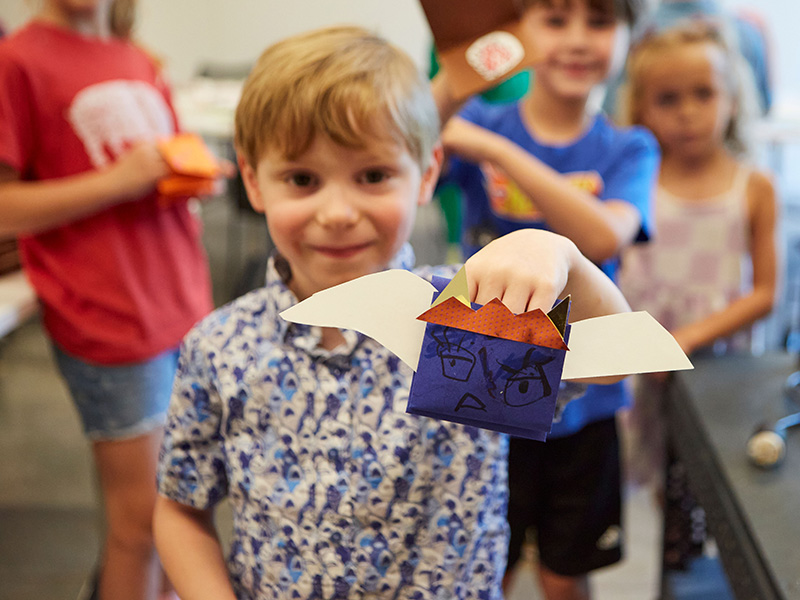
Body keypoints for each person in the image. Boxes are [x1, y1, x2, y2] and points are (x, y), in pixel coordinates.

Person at [152, 25, 633, 600]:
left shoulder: (460, 324)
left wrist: (562, 254)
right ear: (255, 182)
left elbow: (614, 361)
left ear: (427, 174)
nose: (337, 211)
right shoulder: (221, 346)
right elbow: (182, 506)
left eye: (373, 176)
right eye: (303, 179)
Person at [432, 0, 659, 598]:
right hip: (482, 385)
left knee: (565, 574)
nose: (578, 40)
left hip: (586, 398)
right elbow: (406, 133)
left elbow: (604, 235)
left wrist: (500, 153)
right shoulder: (480, 116)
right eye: (555, 20)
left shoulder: (630, 147)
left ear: (631, 34)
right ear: (519, 27)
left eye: (601, 22)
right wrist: (460, 70)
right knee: (486, 563)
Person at [0, 1, 220, 598]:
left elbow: (161, 172)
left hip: (180, 304)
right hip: (107, 319)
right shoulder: (17, 60)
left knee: (182, 514)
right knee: (141, 527)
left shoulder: (134, 57)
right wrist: (117, 181)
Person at [616, 21, 778, 569]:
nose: (687, 111)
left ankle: (693, 557)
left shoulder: (753, 186)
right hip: (641, 366)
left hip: (713, 365)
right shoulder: (637, 179)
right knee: (651, 470)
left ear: (732, 97)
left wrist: (682, 341)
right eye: (668, 98)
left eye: (704, 94)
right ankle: (667, 558)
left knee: (709, 479)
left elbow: (765, 294)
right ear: (640, 107)